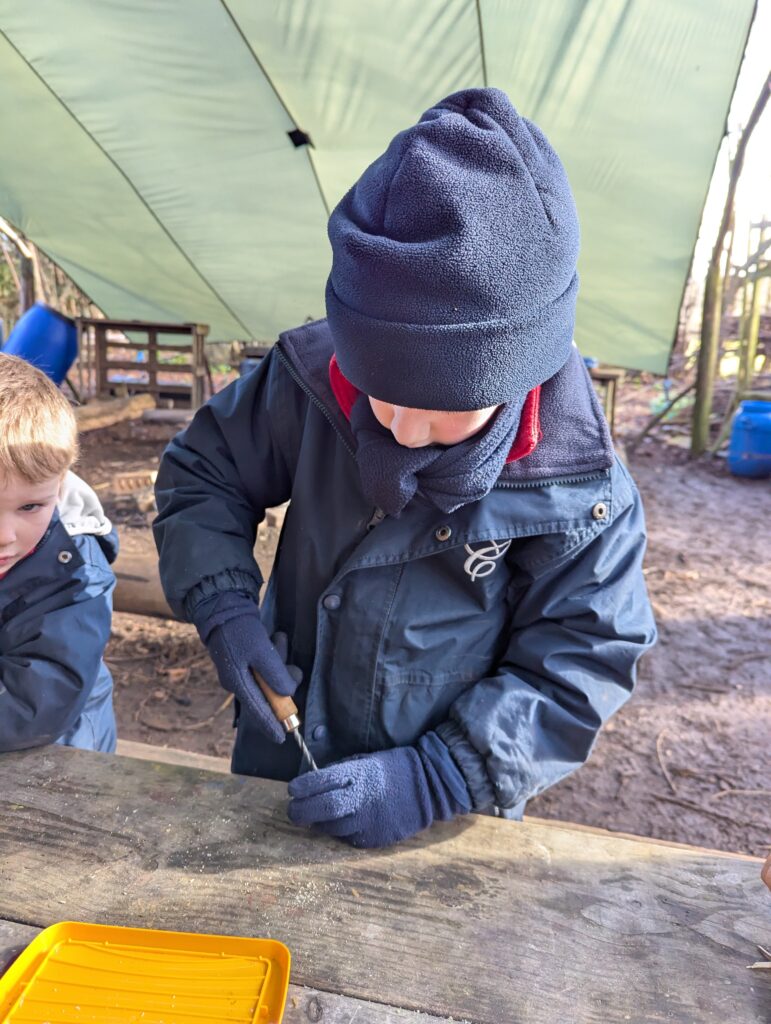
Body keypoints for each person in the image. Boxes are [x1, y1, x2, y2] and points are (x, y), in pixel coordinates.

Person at [154, 87, 656, 848]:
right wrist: (223, 607)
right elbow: (204, 472)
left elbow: (582, 658)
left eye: (445, 405)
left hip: (446, 812)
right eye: (379, 392)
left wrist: (442, 777)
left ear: (518, 369)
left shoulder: (580, 491)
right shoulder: (307, 378)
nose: (403, 429)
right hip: (281, 766)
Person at [0, 353, 118, 753]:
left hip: (61, 760)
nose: (5, 536)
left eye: (30, 507)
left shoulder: (77, 574)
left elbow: (36, 704)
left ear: (61, 484)